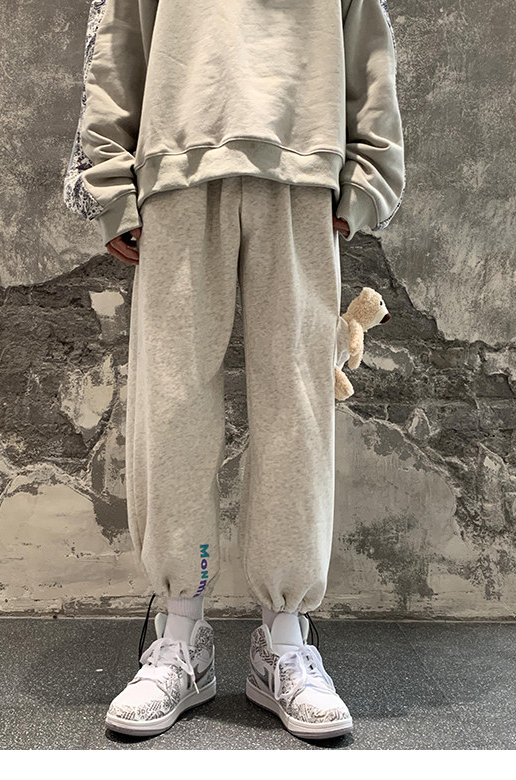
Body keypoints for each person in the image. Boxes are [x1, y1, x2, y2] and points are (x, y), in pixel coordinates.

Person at [63, 0, 405, 741]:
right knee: (172, 407)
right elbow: (118, 41)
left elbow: (367, 43)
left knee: (298, 409)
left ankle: (284, 638)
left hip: (303, 168)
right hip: (176, 166)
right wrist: (112, 181)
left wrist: (366, 176)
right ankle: (180, 633)